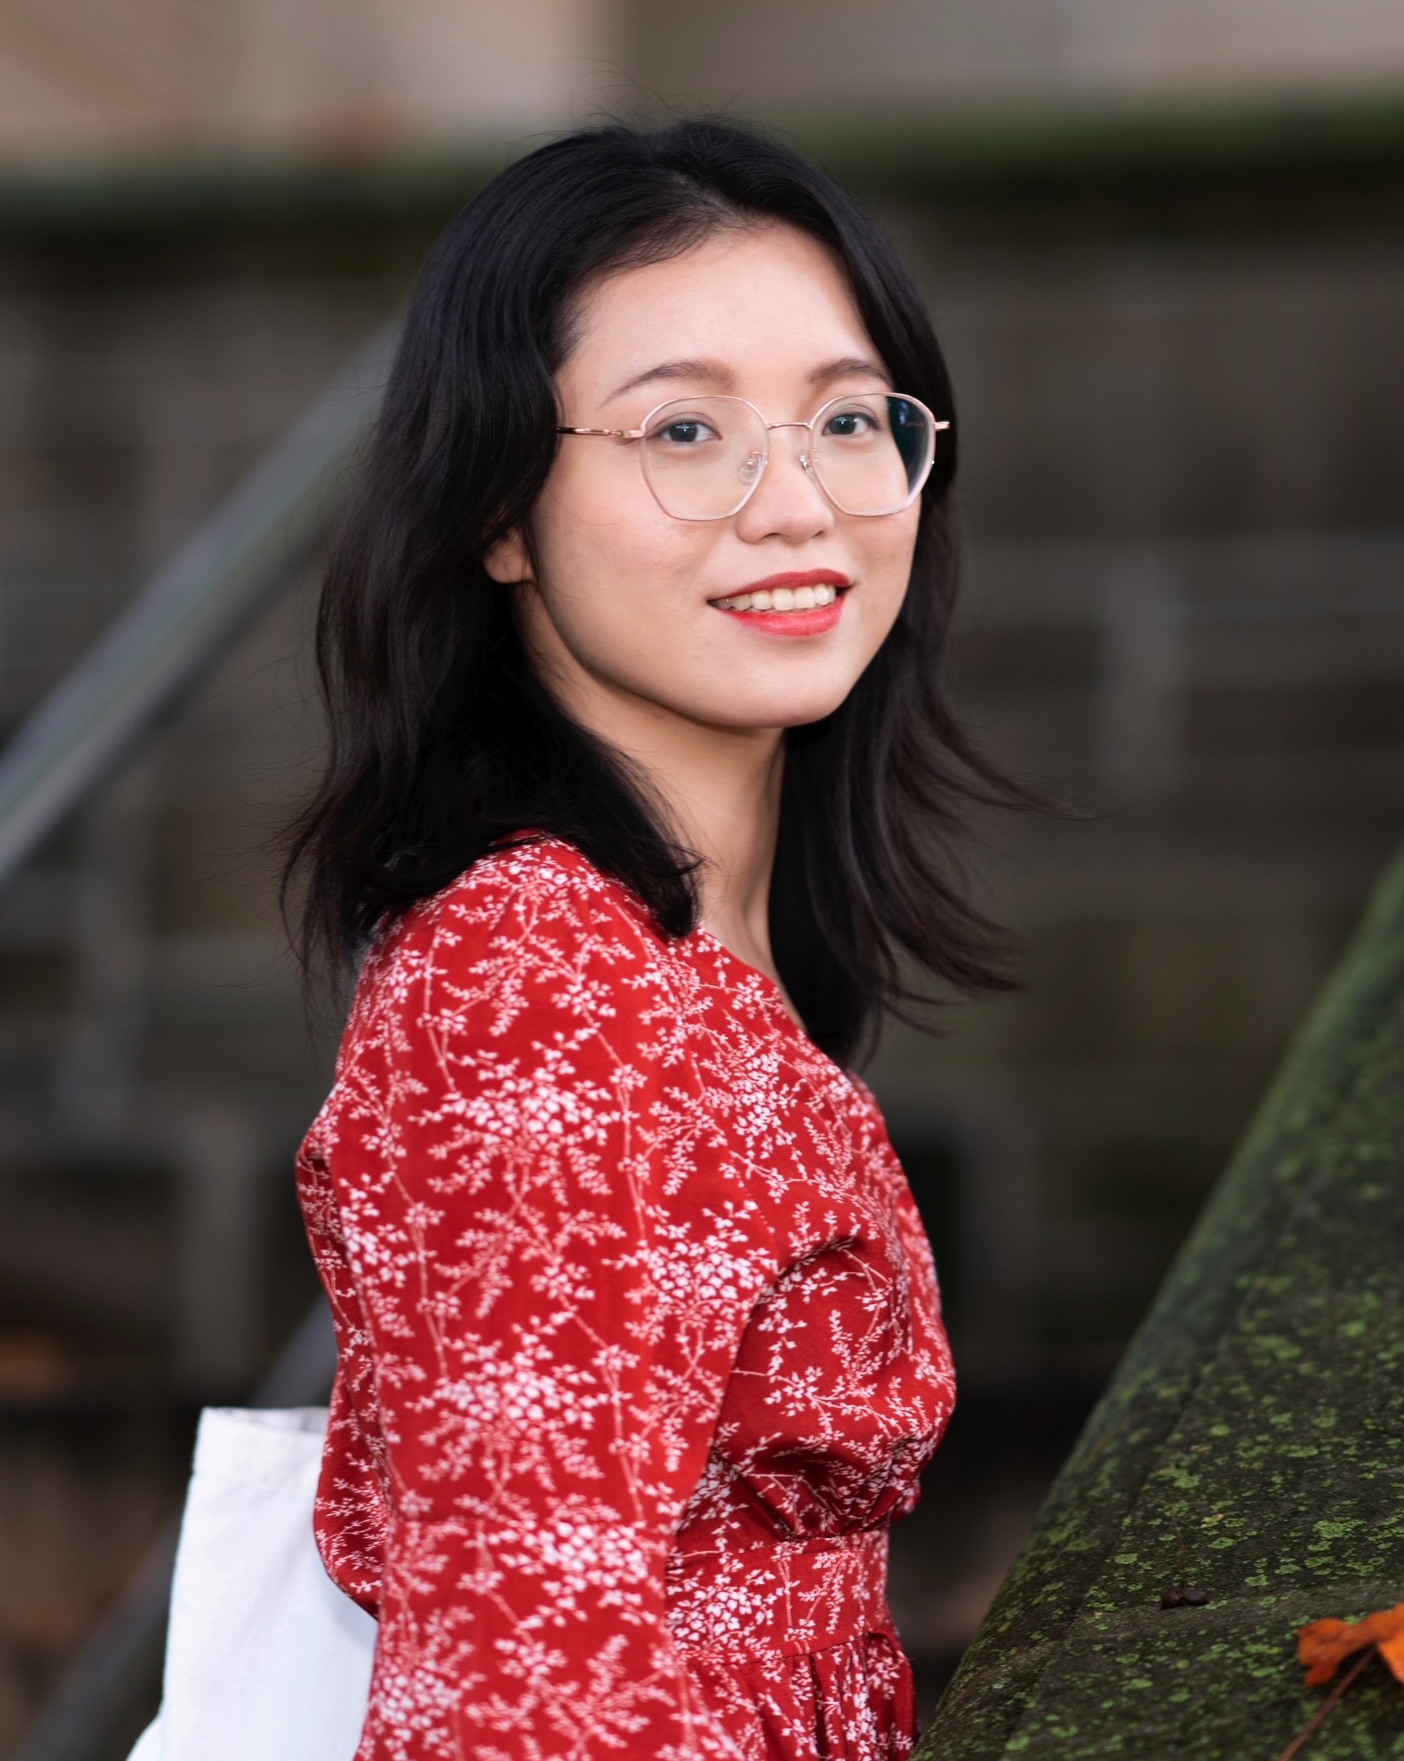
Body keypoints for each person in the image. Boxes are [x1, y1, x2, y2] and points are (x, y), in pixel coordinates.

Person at [285, 117, 1022, 1761]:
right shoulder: (537, 982)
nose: (796, 505)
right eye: (681, 428)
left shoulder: (686, 954)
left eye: (846, 419)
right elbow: (520, 1692)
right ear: (496, 510)